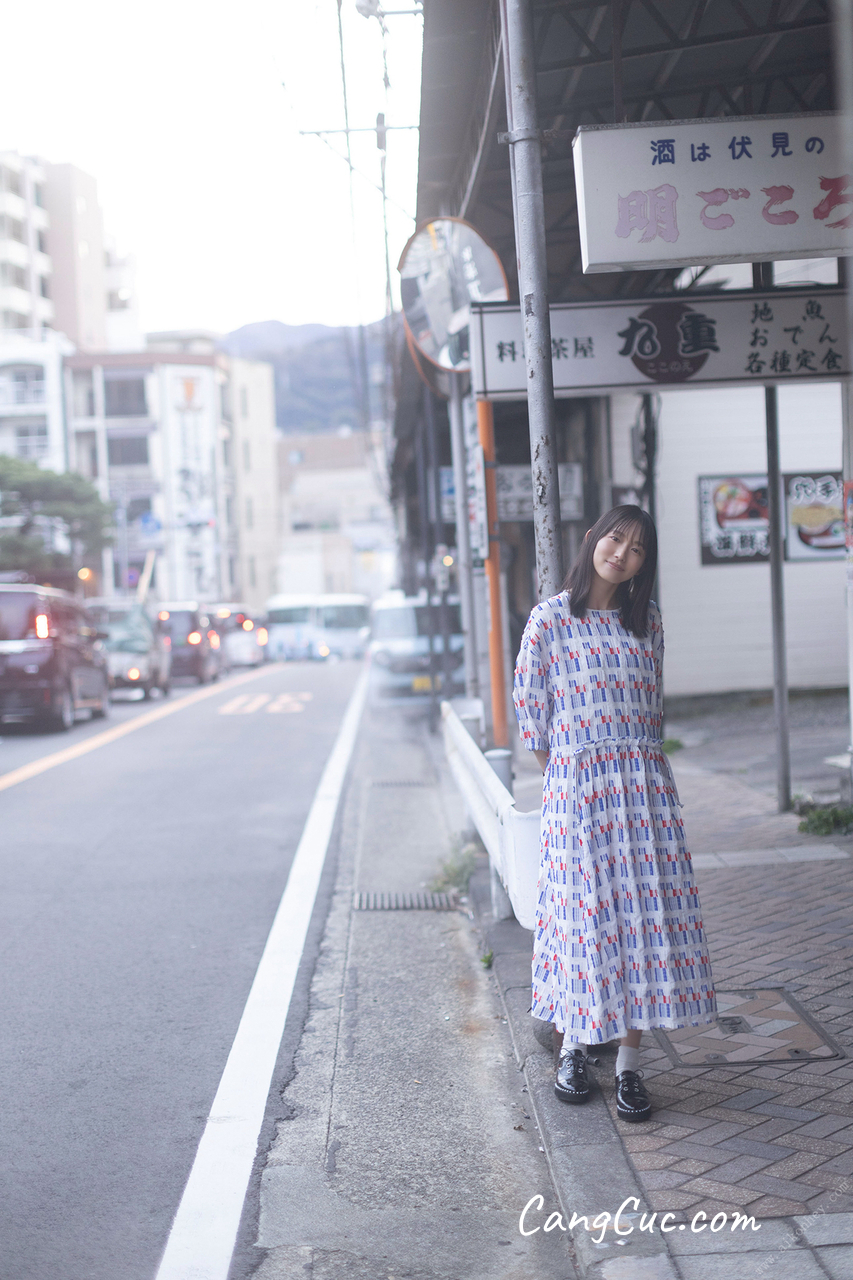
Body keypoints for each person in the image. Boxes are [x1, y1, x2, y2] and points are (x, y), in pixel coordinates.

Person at [512, 505, 716, 1123]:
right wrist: (571, 779)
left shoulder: (645, 621)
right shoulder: (550, 620)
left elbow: (653, 709)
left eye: (637, 548)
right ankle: (573, 1050)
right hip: (578, 796)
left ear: (643, 564)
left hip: (644, 794)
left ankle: (629, 1066)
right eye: (615, 539)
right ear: (593, 539)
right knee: (584, 921)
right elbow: (533, 717)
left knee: (641, 926)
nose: (622, 554)